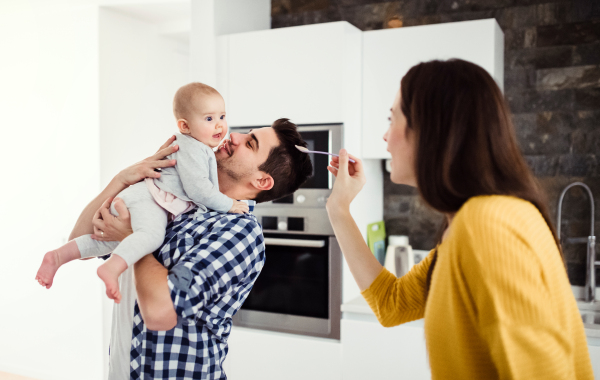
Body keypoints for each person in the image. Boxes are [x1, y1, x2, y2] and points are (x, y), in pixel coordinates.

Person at [326, 59, 593, 379]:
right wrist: (338, 209)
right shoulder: (472, 224)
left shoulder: (487, 227)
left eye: (392, 118)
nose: (385, 136)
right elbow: (391, 303)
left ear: (430, 128)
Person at [67, 118, 312, 379]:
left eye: (250, 144)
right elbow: (81, 240)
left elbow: (160, 312)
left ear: (262, 181)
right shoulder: (177, 199)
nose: (235, 135)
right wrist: (122, 180)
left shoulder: (240, 232)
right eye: (246, 133)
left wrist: (132, 239)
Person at [35, 83, 249, 303]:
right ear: (184, 126)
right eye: (209, 119)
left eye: (222, 116)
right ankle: (111, 269)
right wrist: (229, 204)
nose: (220, 126)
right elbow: (199, 189)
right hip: (150, 199)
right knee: (151, 237)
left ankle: (58, 256)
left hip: (145, 195)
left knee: (110, 242)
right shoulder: (196, 148)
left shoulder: (193, 146)